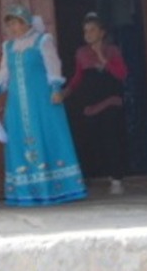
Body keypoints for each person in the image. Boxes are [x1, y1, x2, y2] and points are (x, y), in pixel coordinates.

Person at [0, 4, 86, 206]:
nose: (13, 28)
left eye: (16, 23)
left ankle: (56, 189)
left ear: (26, 23)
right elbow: (5, 72)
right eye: (10, 25)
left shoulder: (42, 41)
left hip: (42, 102)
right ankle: (26, 192)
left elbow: (53, 65)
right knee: (19, 140)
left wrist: (56, 88)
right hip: (17, 104)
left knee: (46, 136)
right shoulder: (8, 47)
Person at [54, 12, 128, 194]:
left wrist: (102, 58)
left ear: (102, 32)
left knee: (112, 139)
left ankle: (116, 180)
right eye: (85, 31)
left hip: (110, 100)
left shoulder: (112, 50)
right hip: (91, 102)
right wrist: (65, 92)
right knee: (89, 139)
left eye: (92, 30)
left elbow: (121, 74)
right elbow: (78, 77)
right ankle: (86, 177)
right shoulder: (81, 53)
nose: (88, 34)